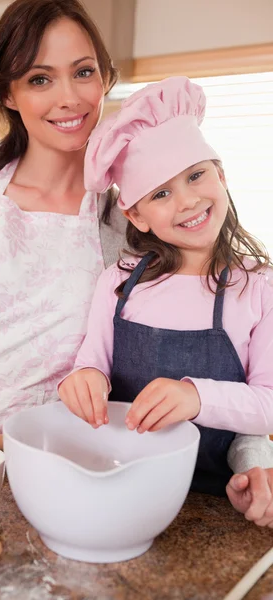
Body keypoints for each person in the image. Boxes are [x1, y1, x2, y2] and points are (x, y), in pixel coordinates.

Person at [0, 1, 270, 523]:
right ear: (7, 93)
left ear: (104, 79)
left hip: (63, 475)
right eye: (40, 79)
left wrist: (256, 461)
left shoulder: (135, 223)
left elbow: (213, 370)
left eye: (83, 72)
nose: (68, 97)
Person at [59, 76, 273, 500]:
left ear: (222, 175)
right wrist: (82, 380)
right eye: (161, 193)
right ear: (136, 215)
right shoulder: (118, 283)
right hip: (119, 488)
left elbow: (267, 404)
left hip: (215, 498)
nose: (188, 201)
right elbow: (91, 365)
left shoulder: (258, 287)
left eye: (196, 175)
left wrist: (195, 396)